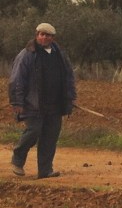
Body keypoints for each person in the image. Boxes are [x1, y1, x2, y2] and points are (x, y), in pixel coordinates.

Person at [9, 22, 77, 178]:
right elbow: (16, 79)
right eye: (42, 34)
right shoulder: (26, 55)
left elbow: (68, 77)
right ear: (37, 35)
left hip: (55, 104)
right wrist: (17, 102)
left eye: (48, 35)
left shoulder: (59, 54)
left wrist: (70, 97)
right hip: (33, 103)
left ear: (53, 38)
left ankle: (45, 170)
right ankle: (18, 160)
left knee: (50, 137)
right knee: (33, 131)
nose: (45, 37)